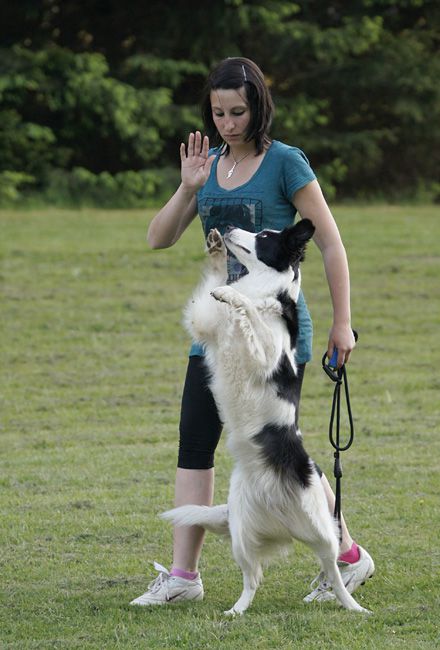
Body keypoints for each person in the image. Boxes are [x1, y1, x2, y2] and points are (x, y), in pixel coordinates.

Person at [130, 57, 374, 606]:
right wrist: (186, 188)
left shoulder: (286, 162)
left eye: (237, 111)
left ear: (257, 106)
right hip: (218, 335)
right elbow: (157, 238)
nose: (227, 123)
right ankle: (183, 578)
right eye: (217, 112)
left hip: (273, 337)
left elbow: (332, 243)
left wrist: (342, 324)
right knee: (194, 444)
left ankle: (347, 554)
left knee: (279, 453)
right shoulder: (209, 166)